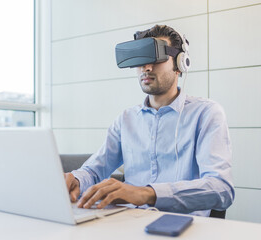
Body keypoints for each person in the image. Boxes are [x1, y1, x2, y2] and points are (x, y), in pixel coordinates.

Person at [64, 24, 234, 217]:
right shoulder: (126, 120)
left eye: (156, 58)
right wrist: (76, 179)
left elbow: (221, 189)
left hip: (185, 226)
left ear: (180, 64)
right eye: (142, 59)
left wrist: (146, 193)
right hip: (128, 222)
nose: (147, 67)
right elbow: (94, 170)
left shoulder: (206, 114)